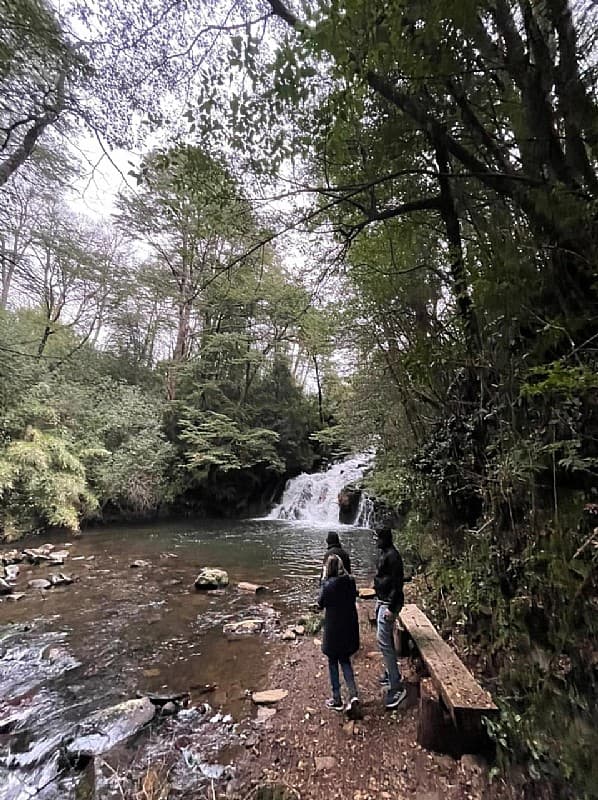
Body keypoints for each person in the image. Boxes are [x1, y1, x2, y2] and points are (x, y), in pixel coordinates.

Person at [318, 554, 361, 718]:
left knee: (333, 662)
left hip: (334, 630)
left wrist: (323, 581)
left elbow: (320, 603)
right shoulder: (350, 581)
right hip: (348, 627)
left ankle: (337, 699)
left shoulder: (328, 586)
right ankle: (353, 694)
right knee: (345, 660)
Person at [373, 526, 407, 710]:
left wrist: (392, 608)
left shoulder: (393, 556)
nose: (376, 540)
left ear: (385, 539)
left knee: (383, 641)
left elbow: (397, 584)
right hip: (384, 600)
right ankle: (390, 672)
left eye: (379, 538)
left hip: (389, 604)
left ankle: (397, 687)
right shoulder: (387, 553)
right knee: (385, 641)